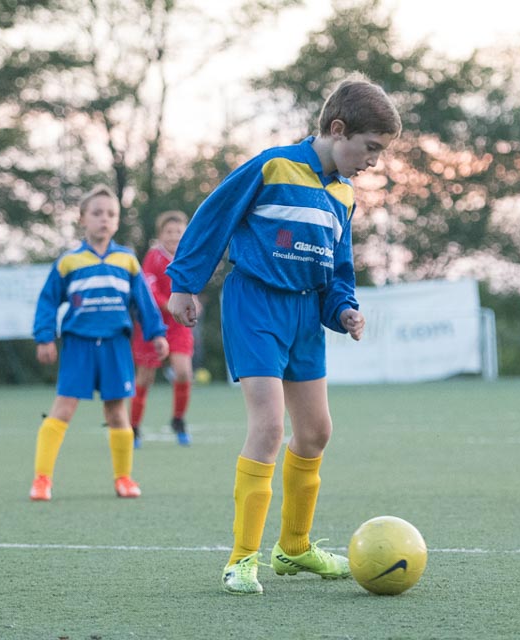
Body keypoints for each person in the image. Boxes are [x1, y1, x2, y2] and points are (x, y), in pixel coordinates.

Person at [166, 76, 401, 594]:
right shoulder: (273, 166)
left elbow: (338, 269)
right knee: (270, 426)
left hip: (304, 316)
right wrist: (184, 283)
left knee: (315, 432)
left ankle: (293, 549)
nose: (373, 161)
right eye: (370, 148)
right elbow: (213, 217)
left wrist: (345, 310)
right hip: (255, 305)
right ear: (337, 130)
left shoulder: (343, 194)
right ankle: (241, 559)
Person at [30, 184, 168, 501]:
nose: (104, 219)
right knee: (63, 409)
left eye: (111, 214)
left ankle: (124, 478)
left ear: (117, 222)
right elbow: (48, 301)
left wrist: (157, 333)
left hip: (116, 345)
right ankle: (42, 479)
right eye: (96, 213)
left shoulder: (127, 260)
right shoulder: (69, 262)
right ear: (82, 219)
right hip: (78, 345)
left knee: (117, 412)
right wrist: (45, 336)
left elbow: (144, 302)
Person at [130, 210, 194, 448]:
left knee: (183, 372)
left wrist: (192, 301)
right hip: (153, 323)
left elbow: (193, 285)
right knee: (145, 377)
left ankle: (178, 420)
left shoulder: (188, 256)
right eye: (169, 232)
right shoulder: (153, 256)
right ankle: (134, 427)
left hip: (178, 325)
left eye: (179, 232)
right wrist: (170, 304)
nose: (174, 236)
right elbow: (149, 290)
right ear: (160, 235)